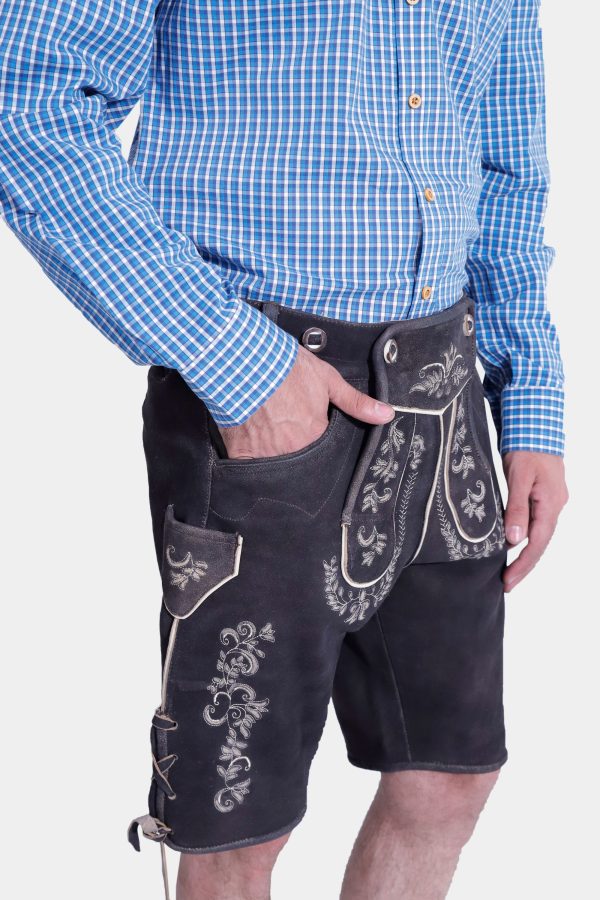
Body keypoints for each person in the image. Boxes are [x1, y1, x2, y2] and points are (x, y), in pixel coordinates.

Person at [0, 2, 568, 898]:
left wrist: (530, 400)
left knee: (449, 774)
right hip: (263, 384)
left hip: (446, 390)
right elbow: (29, 98)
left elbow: (506, 166)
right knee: (239, 822)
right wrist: (241, 366)